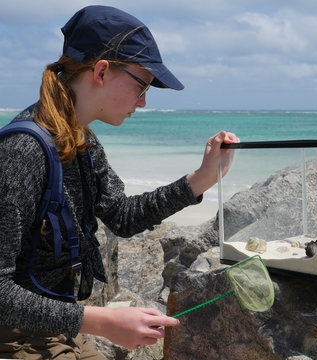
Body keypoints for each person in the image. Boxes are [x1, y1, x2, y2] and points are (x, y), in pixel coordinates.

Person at [0, 5, 238, 359]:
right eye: (142, 85)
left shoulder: (80, 138)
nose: (143, 102)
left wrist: (201, 179)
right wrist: (102, 322)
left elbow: (121, 216)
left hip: (58, 326)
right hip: (14, 334)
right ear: (101, 71)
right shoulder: (22, 151)